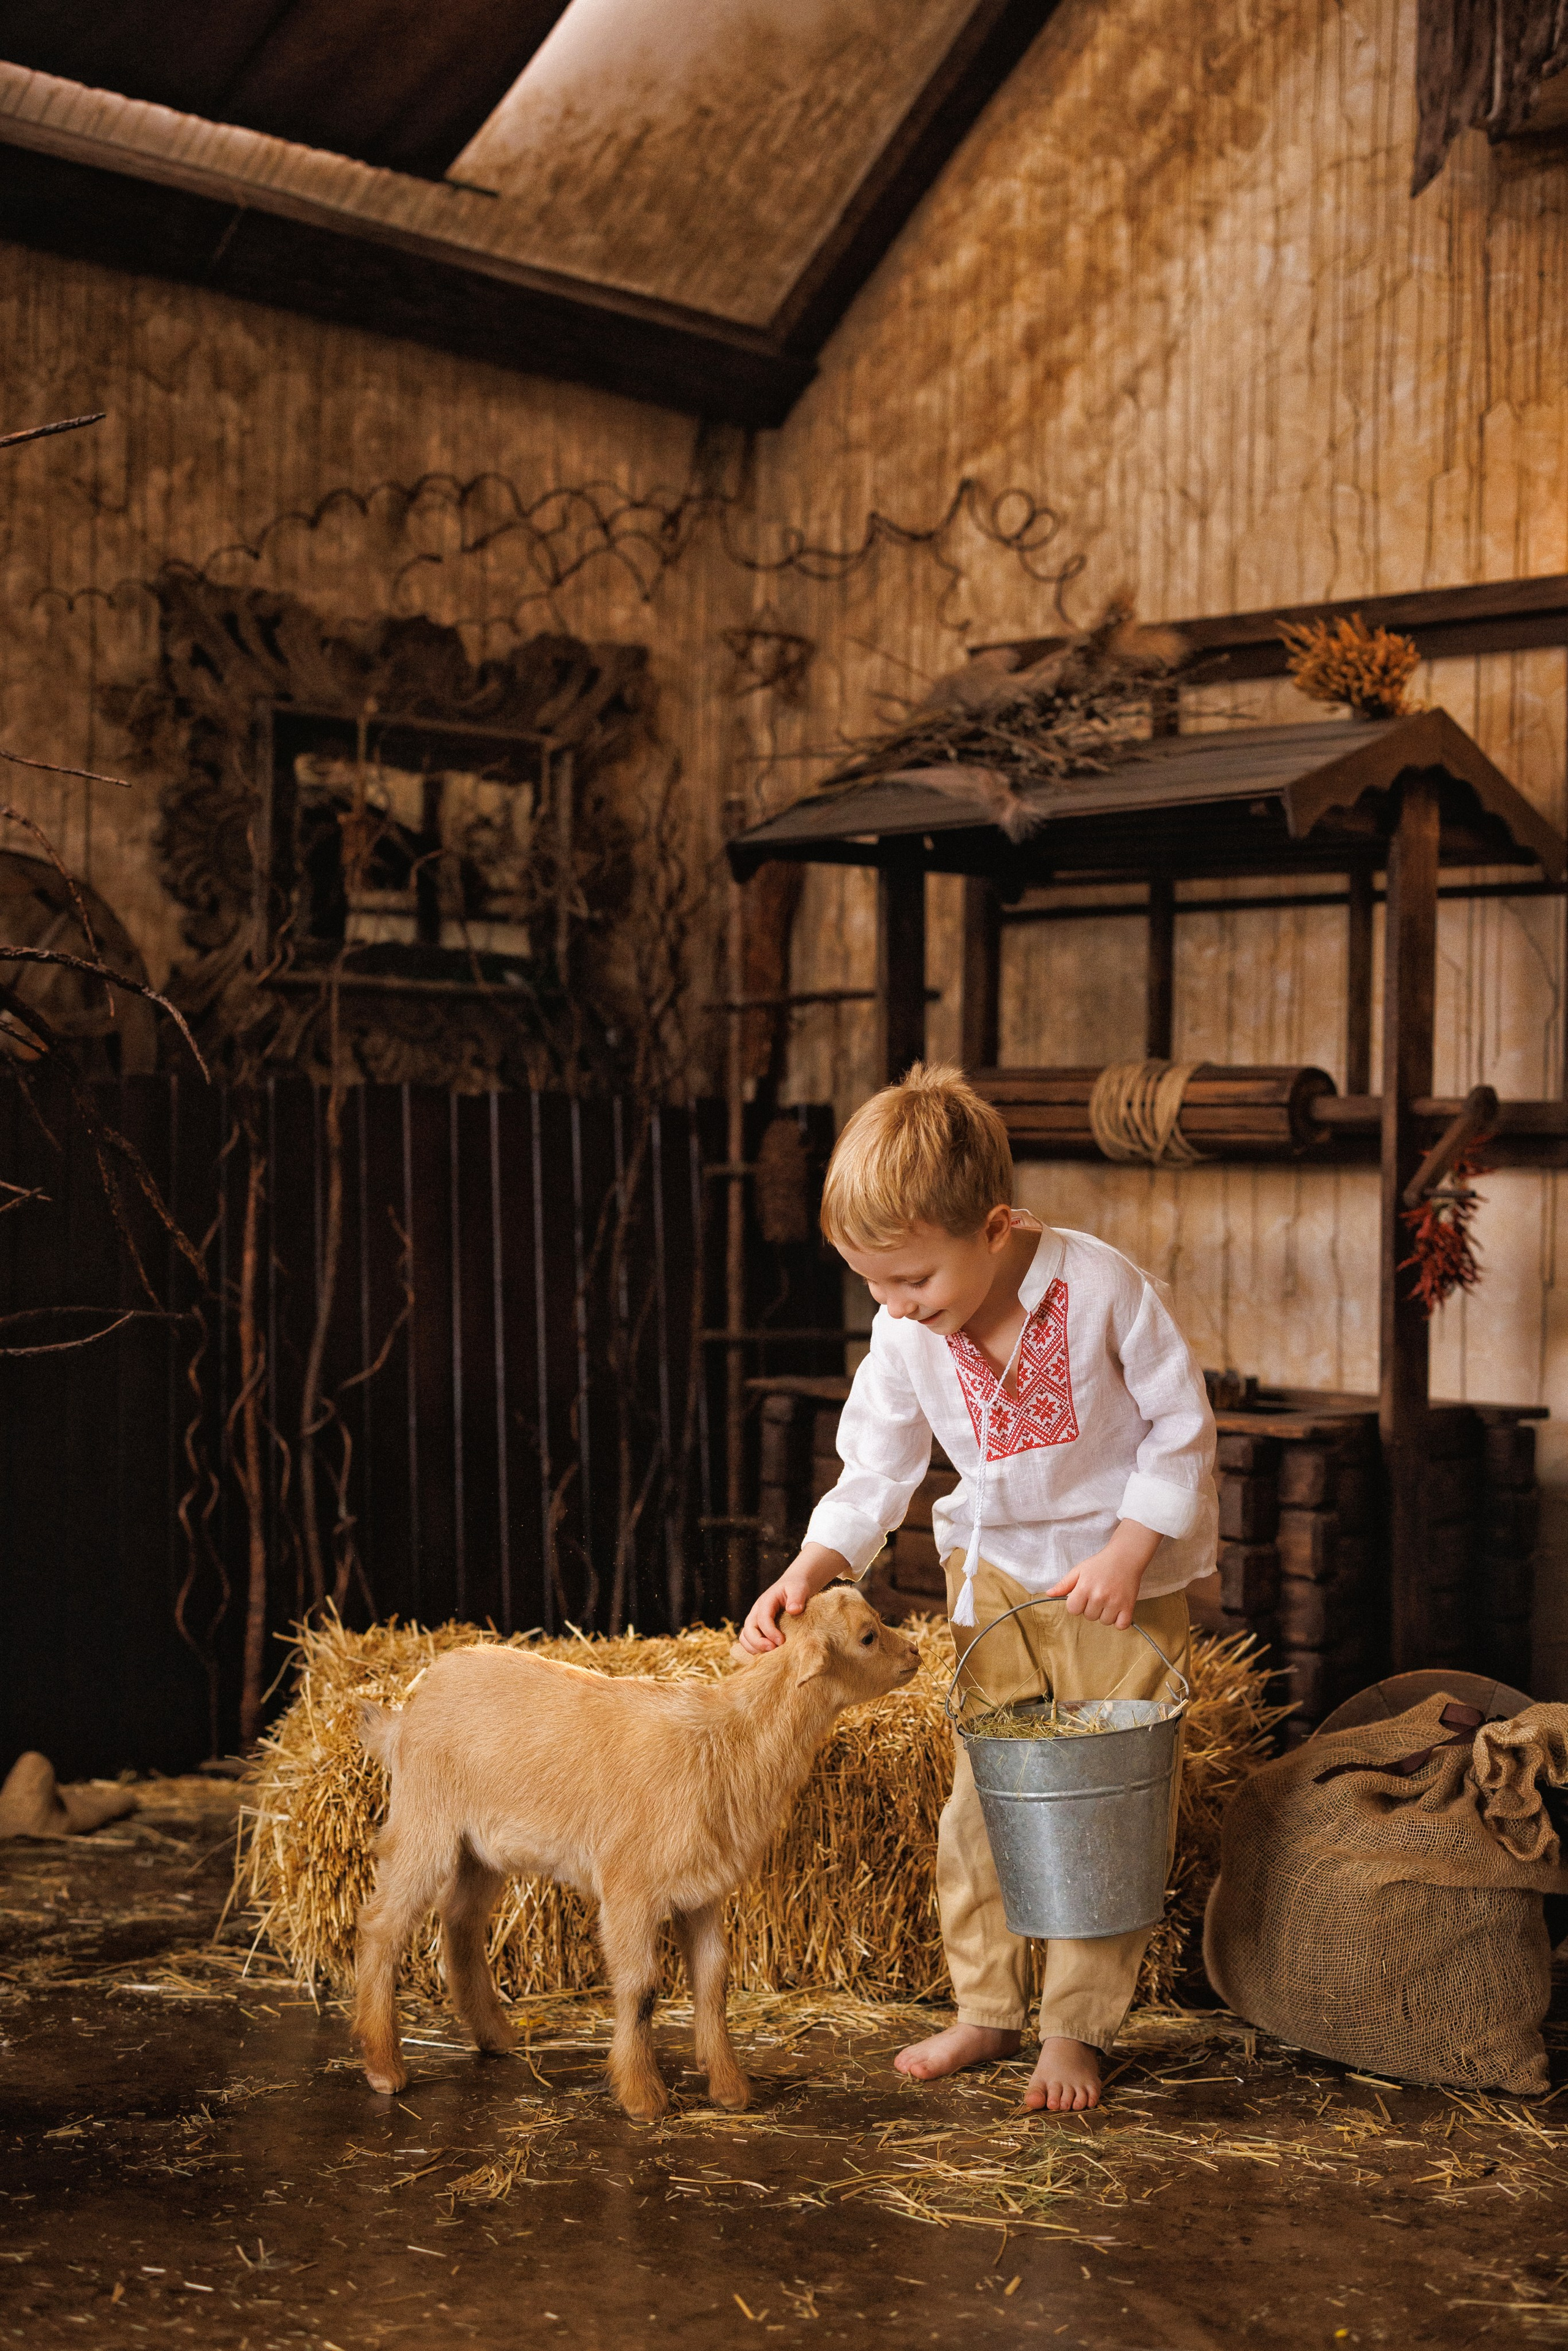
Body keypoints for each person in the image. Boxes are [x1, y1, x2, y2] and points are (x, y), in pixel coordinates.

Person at [739, 1062, 1216, 2113]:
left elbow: (1184, 1429)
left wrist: (1133, 1549)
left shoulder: (1103, 1291)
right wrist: (811, 1566)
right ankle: (988, 2007)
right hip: (993, 1580)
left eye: (914, 1282)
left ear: (996, 1227)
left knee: (1101, 1813)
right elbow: (877, 1467)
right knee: (982, 1806)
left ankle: (1076, 2027)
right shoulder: (909, 1333)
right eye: (874, 1285)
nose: (895, 1305)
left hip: (1114, 1586)